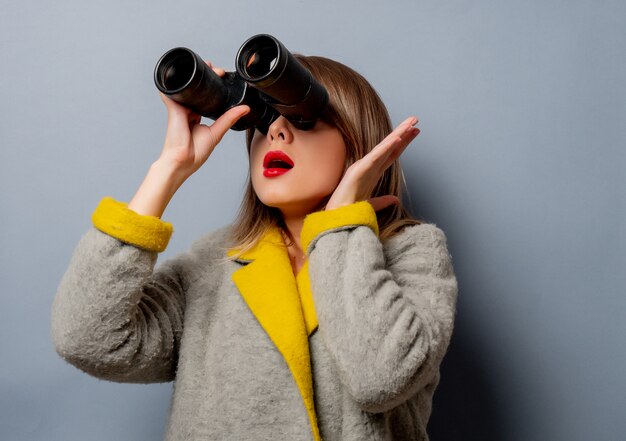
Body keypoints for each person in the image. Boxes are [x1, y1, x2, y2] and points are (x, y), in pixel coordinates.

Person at [51, 53, 458, 441]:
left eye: (303, 117)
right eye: (266, 119)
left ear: (359, 145)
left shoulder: (413, 253)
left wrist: (340, 224)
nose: (277, 131)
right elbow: (87, 340)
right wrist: (169, 169)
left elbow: (378, 378)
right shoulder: (212, 262)